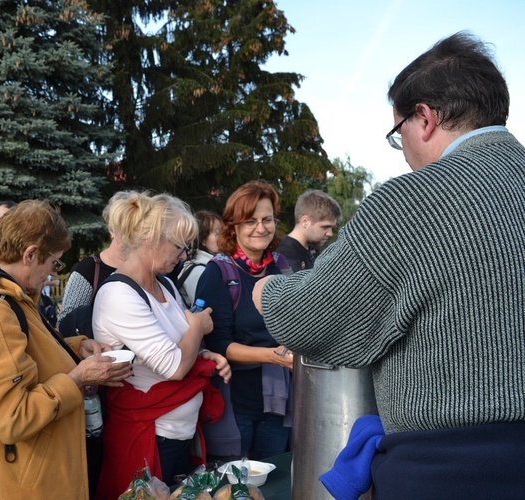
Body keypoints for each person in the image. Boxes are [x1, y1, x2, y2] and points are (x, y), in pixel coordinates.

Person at [253, 32, 525, 498]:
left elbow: (309, 319)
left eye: (398, 136)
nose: (405, 154)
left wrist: (266, 293)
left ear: (424, 118)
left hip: (450, 474)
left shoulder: (412, 201)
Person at [0, 200, 132, 499]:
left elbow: (27, 350)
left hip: (31, 472)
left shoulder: (7, 293)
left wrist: (77, 347)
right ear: (30, 254)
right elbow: (13, 417)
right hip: (24, 482)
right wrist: (78, 379)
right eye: (54, 263)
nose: (54, 274)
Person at [92, 192, 230, 499]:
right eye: (179, 247)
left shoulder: (165, 283)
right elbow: (175, 366)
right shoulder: (119, 294)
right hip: (149, 437)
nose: (182, 257)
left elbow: (179, 345)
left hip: (179, 433)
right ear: (151, 238)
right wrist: (198, 328)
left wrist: (205, 354)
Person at [194, 180, 294, 463]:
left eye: (267, 219)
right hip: (234, 404)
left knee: (271, 483)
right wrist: (274, 357)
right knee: (231, 486)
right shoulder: (218, 273)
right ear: (233, 225)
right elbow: (219, 344)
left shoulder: (282, 267)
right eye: (250, 221)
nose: (260, 228)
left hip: (278, 403)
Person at [56, 191, 131, 330]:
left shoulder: (149, 269)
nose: (132, 233)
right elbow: (65, 322)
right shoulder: (88, 269)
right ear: (112, 229)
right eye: (126, 226)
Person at [276, 190, 341, 272]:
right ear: (305, 222)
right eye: (325, 227)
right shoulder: (285, 255)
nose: (330, 233)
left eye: (332, 228)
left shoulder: (308, 249)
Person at [178, 210, 223, 308]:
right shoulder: (199, 271)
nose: (223, 236)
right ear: (203, 240)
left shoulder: (216, 265)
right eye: (217, 233)